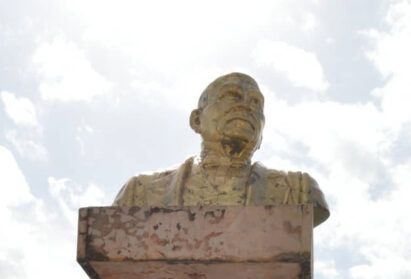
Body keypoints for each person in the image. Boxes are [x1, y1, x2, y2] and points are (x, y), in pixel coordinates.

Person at [114, 72, 329, 224]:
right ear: (196, 120)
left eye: (256, 102)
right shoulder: (140, 193)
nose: (246, 105)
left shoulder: (299, 191)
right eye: (230, 96)